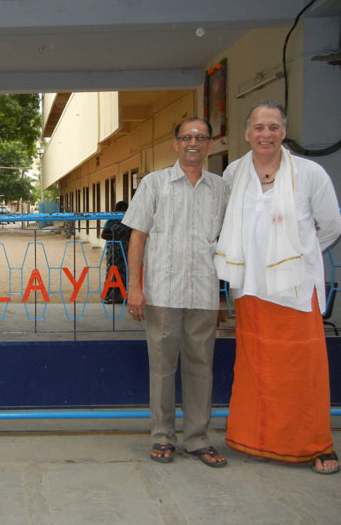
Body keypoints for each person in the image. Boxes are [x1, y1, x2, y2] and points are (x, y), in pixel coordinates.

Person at [215, 101, 341, 474]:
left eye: (273, 127)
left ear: (283, 133)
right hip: (252, 290)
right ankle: (257, 441)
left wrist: (292, 257)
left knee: (304, 372)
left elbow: (331, 226)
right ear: (247, 134)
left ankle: (318, 445)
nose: (265, 134)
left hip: (294, 290)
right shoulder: (235, 173)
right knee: (259, 371)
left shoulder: (309, 173)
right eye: (258, 127)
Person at [123, 118, 229, 467]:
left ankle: (198, 438)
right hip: (162, 292)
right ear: (176, 144)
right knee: (162, 368)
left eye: (200, 137)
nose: (193, 143)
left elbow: (230, 242)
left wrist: (228, 293)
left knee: (202, 368)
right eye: (186, 137)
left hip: (203, 291)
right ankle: (163, 437)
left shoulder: (221, 189)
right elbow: (136, 236)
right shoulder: (155, 184)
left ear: (210, 144)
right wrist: (135, 287)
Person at [100, 200, 130, 304]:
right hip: (114, 252)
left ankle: (122, 296)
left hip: (125, 251)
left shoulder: (129, 220)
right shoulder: (111, 220)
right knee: (112, 272)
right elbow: (103, 235)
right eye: (123, 210)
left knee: (124, 272)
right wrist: (116, 236)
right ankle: (108, 296)